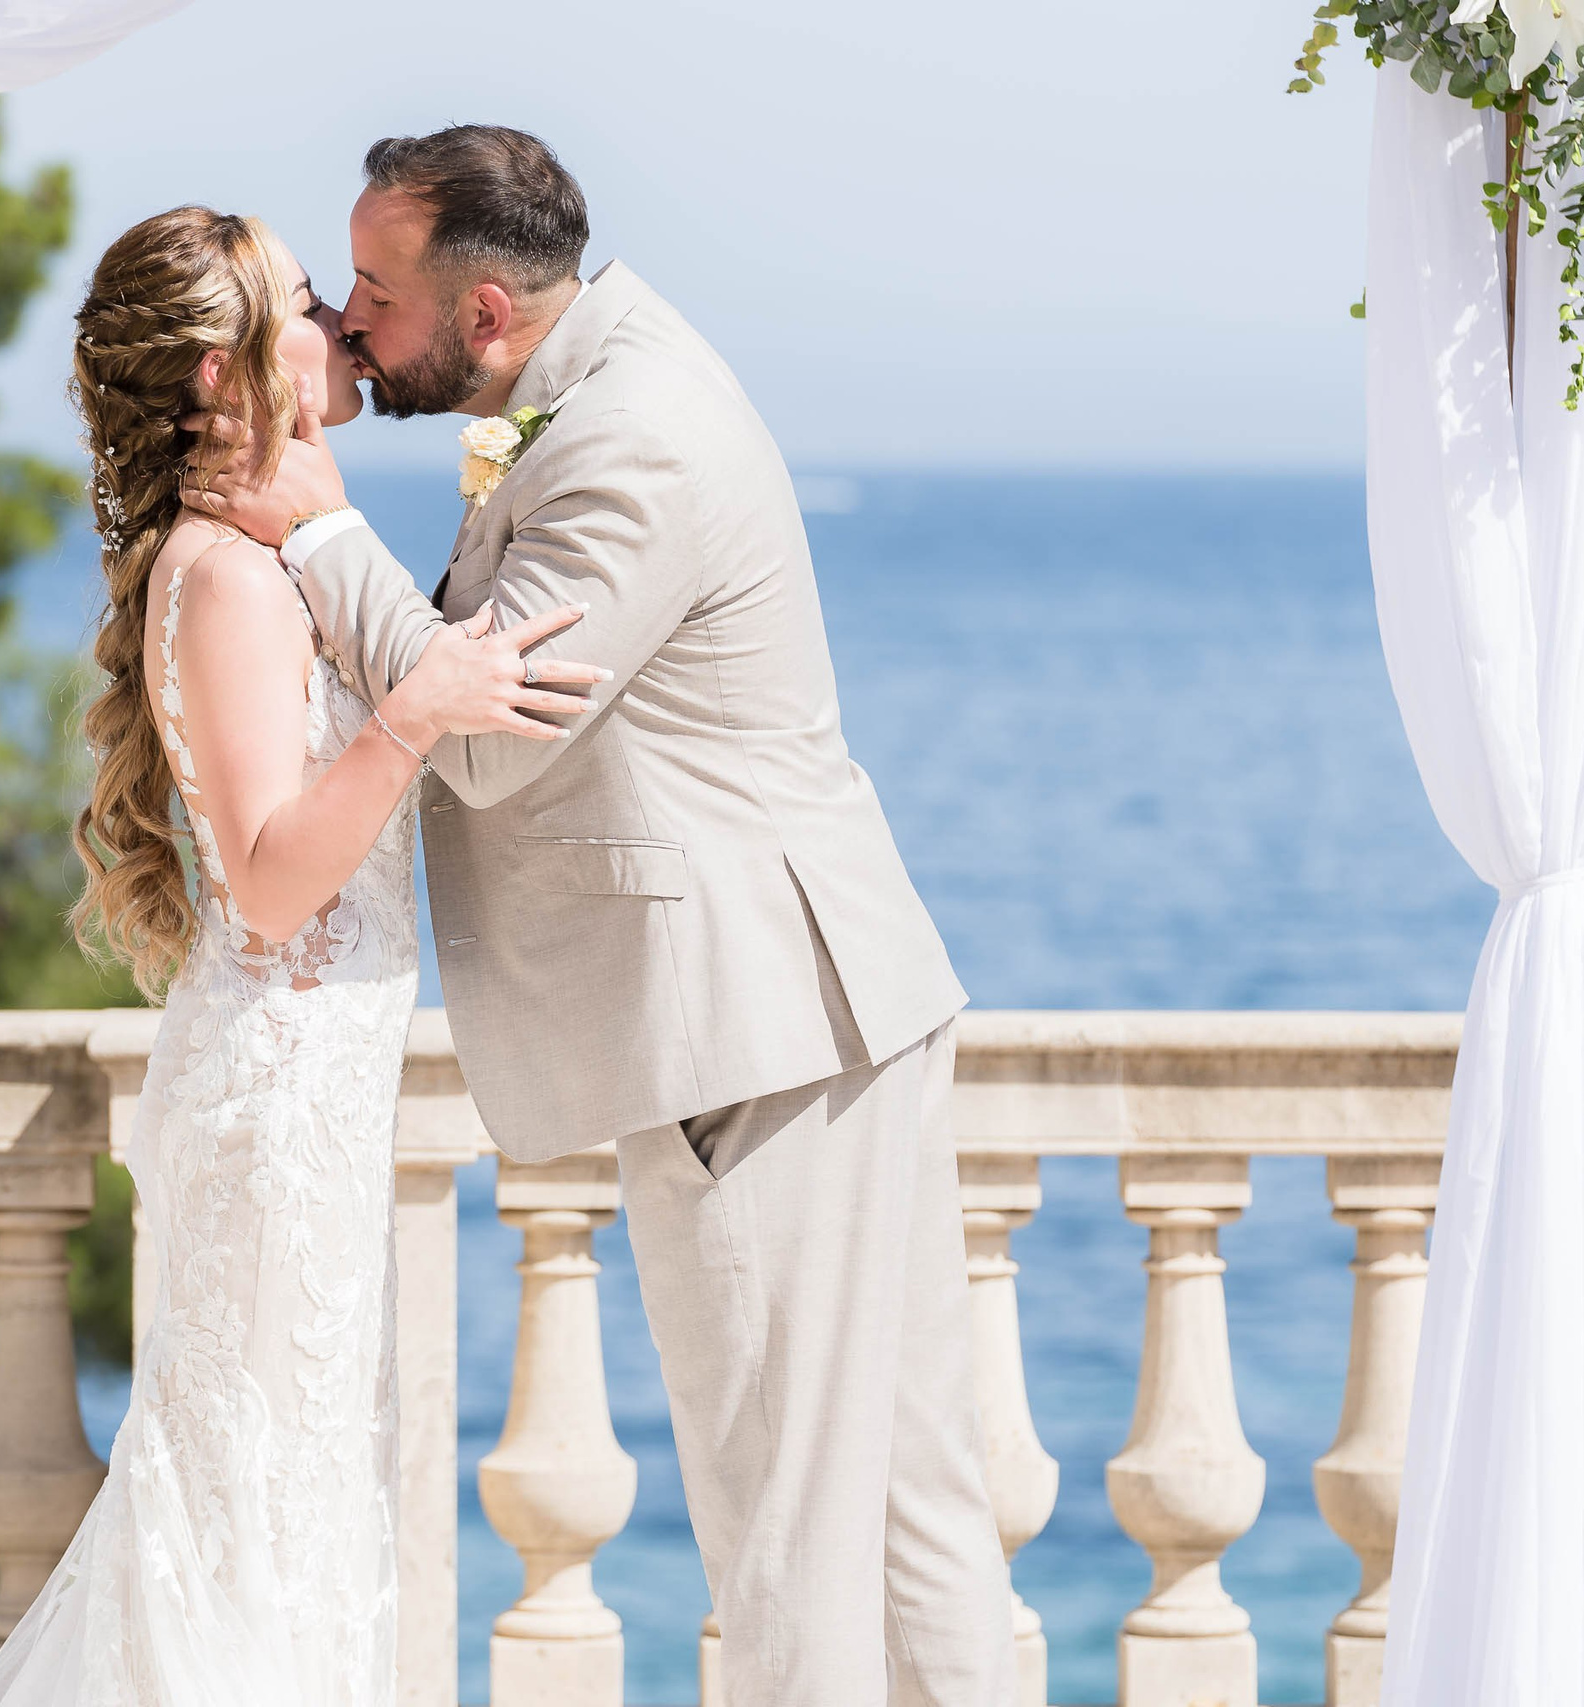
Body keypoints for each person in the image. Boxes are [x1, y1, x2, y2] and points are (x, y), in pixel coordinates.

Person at [191, 126, 1019, 1707]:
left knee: (784, 1531)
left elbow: (491, 741)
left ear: (487, 311)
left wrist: (316, 527)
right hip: (828, 1008)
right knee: (911, 1519)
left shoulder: (627, 436)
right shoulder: (600, 379)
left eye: (372, 289)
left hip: (758, 1033)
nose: (348, 321)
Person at [0, 203, 601, 1707]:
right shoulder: (233, 580)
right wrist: (416, 713)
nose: (342, 329)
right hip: (274, 1100)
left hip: (302, 1095)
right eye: (309, 304)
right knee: (249, 1514)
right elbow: (262, 884)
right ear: (219, 372)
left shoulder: (255, 557)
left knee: (284, 1504)